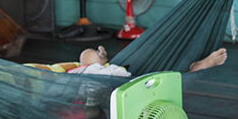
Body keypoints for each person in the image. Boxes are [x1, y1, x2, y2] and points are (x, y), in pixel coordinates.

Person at [65, 45, 228, 76]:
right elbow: (120, 74)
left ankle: (196, 67)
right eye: (99, 54)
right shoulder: (99, 70)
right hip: (130, 84)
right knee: (170, 81)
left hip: (121, 86)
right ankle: (197, 67)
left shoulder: (72, 73)